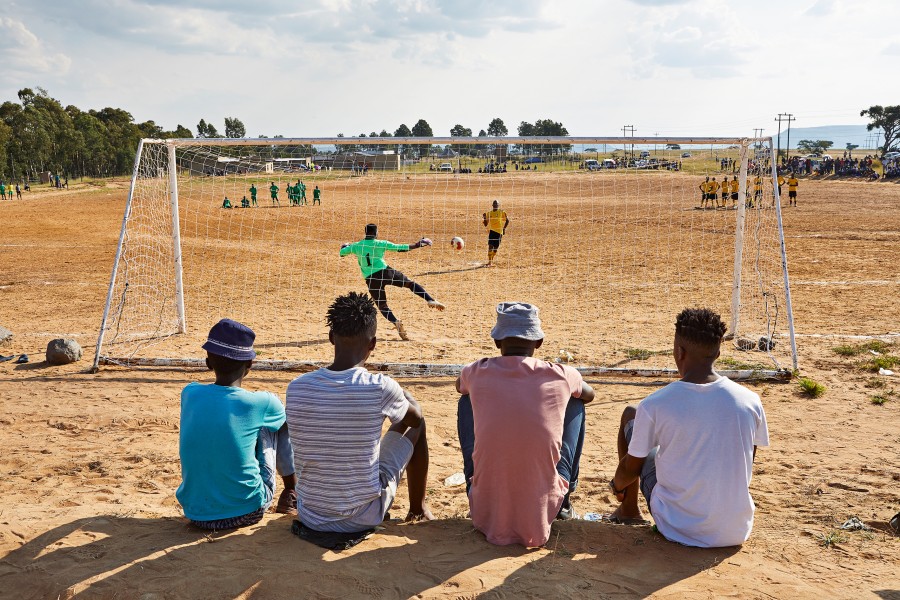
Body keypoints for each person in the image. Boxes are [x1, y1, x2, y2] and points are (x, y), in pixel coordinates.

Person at [607, 308, 769, 548]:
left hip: (678, 527)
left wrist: (616, 487)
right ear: (718, 352)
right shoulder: (750, 401)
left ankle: (628, 510)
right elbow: (746, 461)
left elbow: (631, 468)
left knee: (631, 415)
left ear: (679, 351)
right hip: (735, 530)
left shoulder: (655, 404)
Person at [285, 292, 432, 532]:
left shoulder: (297, 386)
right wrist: (399, 391)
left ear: (332, 337)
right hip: (361, 517)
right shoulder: (379, 386)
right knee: (417, 424)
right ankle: (418, 509)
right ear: (372, 343)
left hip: (310, 513)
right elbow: (414, 418)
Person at [456, 302, 594, 547]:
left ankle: (475, 481)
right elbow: (589, 394)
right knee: (576, 402)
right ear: (538, 342)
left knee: (466, 400)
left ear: (497, 342)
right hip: (544, 511)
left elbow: (459, 386)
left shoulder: (476, 370)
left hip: (484, 510)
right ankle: (565, 499)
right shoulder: (560, 373)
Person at [176, 319, 298, 530]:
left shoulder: (189, 393)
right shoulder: (262, 402)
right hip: (247, 510)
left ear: (208, 362)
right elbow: (286, 420)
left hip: (195, 513)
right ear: (249, 364)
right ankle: (291, 491)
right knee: (273, 425)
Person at [339, 223, 445, 341]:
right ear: (376, 233)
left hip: (371, 280)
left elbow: (342, 253)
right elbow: (400, 248)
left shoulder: (356, 246)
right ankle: (430, 299)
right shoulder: (381, 243)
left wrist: (345, 246)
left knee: (383, 306)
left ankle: (396, 322)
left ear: (365, 232)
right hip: (386, 272)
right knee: (410, 284)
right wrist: (418, 244)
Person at [482, 200, 510, 267]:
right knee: (490, 246)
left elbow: (507, 220)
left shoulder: (501, 212)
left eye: (496, 204)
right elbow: (486, 224)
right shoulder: (489, 213)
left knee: (495, 248)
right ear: (492, 205)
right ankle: (489, 262)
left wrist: (504, 229)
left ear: (498, 205)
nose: (495, 205)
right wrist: (485, 218)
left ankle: (491, 259)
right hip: (492, 231)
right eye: (494, 204)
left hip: (499, 232)